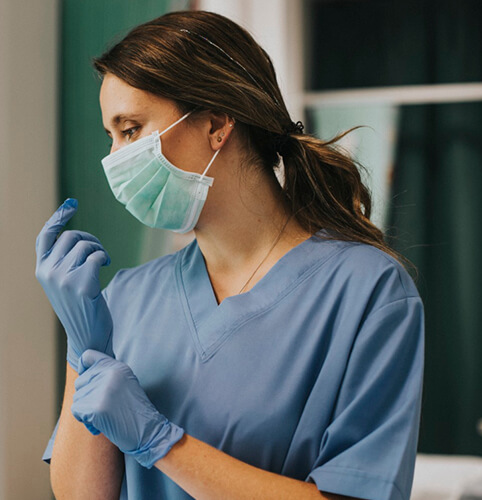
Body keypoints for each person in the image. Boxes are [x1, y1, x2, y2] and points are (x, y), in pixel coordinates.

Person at [34, 10, 424, 500]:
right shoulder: (127, 297)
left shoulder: (367, 291)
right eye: (109, 136)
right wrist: (83, 349)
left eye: (130, 130)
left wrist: (160, 441)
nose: (114, 159)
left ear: (217, 123)